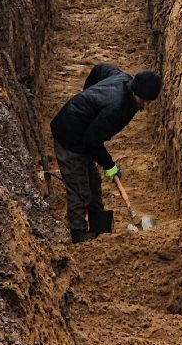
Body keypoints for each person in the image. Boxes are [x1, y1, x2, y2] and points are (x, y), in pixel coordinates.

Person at [49, 63, 161, 242]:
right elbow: (93, 141)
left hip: (84, 133)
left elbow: (100, 69)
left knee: (94, 181)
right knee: (80, 189)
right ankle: (79, 234)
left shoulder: (123, 78)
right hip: (69, 136)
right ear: (135, 92)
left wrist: (88, 96)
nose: (146, 106)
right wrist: (109, 165)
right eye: (144, 101)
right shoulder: (116, 109)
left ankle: (99, 227)